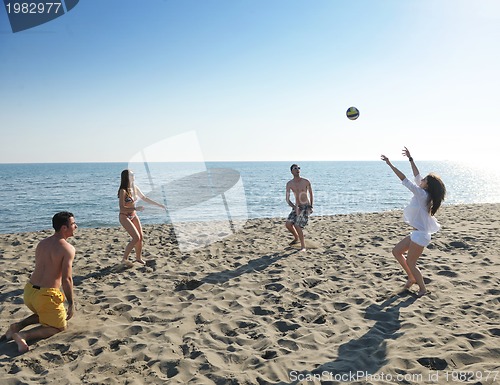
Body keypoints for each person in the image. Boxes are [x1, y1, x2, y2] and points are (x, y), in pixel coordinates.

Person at [1, 212, 77, 353]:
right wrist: (71, 303)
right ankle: (23, 335)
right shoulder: (68, 249)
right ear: (64, 228)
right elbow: (67, 279)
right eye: (73, 224)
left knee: (46, 313)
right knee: (60, 326)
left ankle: (17, 326)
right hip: (46, 295)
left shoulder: (42, 243)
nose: (76, 226)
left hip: (29, 292)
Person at [381, 147, 446, 297]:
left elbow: (405, 179)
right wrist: (410, 158)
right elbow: (417, 175)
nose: (421, 180)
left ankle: (422, 288)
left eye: (424, 180)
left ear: (427, 185)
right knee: (396, 252)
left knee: (411, 263)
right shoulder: (424, 191)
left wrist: (390, 164)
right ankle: (411, 277)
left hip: (420, 235)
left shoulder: (421, 194)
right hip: (417, 234)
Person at [118, 169, 165, 267]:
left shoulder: (134, 188)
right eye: (132, 174)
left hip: (133, 215)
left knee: (141, 237)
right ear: (127, 177)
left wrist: (159, 205)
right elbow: (122, 207)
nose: (134, 176)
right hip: (124, 216)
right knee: (136, 237)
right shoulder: (123, 191)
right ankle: (124, 259)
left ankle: (138, 258)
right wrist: (135, 208)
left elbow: (145, 198)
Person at [285, 164, 314, 251]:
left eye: (298, 168)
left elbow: (311, 194)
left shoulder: (305, 181)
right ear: (291, 171)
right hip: (297, 206)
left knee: (297, 225)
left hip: (306, 207)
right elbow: (287, 199)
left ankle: (303, 247)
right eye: (295, 168)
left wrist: (311, 206)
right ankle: (296, 237)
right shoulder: (289, 184)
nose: (297, 169)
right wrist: (294, 207)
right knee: (288, 224)